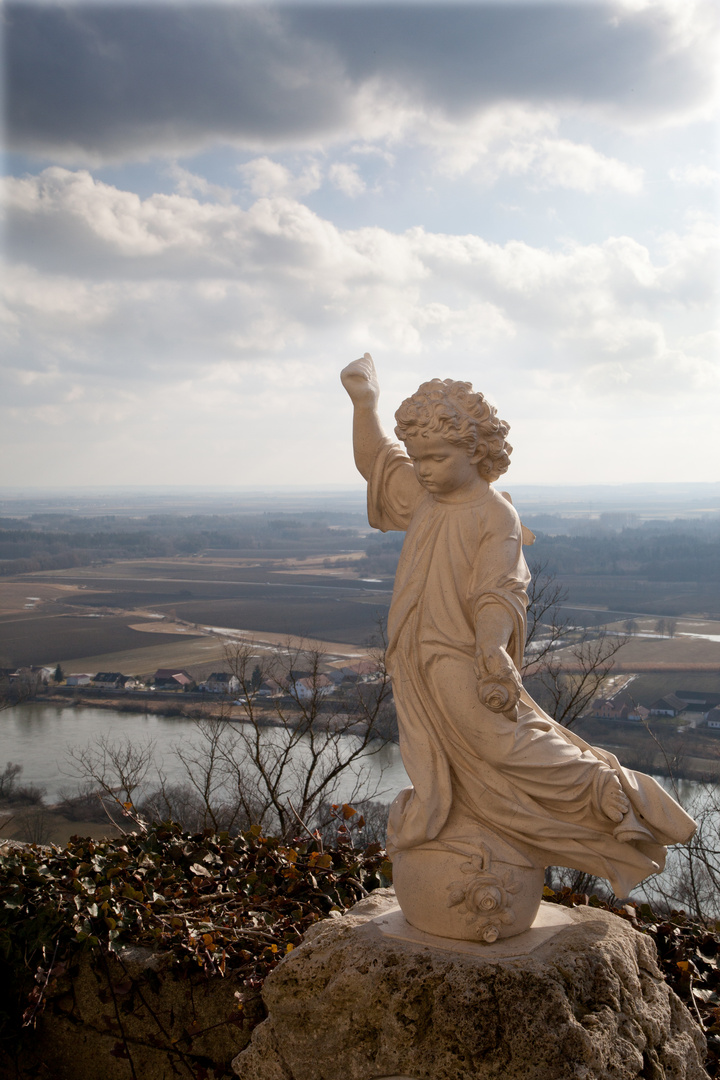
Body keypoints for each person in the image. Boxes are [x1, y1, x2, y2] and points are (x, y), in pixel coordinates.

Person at [341, 353, 695, 897]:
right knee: (451, 764)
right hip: (415, 659)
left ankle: (610, 793)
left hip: (458, 655)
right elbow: (377, 463)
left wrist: (492, 651)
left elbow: (499, 592)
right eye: (419, 458)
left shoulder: (493, 515)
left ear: (476, 450)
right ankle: (467, 826)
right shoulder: (426, 497)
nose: (424, 469)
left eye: (436, 457)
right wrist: (365, 403)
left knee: (502, 743)